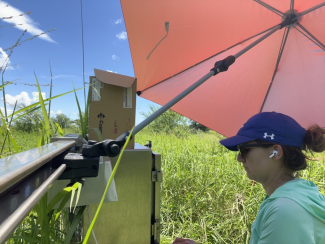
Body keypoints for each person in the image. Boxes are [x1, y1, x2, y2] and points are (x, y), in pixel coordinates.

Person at [173, 112, 325, 244]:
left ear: (276, 152)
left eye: (245, 150)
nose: (239, 158)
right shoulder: (298, 195)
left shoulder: (286, 210)